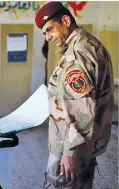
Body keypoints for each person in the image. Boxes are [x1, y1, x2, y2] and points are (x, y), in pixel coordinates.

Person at [35, 2, 114, 189]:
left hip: (70, 145)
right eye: (45, 33)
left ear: (65, 20)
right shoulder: (90, 44)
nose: (48, 37)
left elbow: (82, 111)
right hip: (86, 142)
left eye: (50, 30)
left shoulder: (77, 55)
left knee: (60, 185)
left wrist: (70, 153)